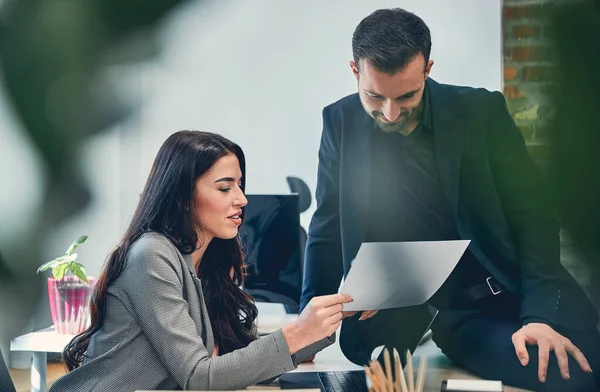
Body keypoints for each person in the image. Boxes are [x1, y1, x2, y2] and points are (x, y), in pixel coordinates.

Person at [300, 8, 600, 392]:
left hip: (531, 293)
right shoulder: (339, 123)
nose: (390, 113)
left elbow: (535, 219)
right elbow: (326, 227)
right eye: (375, 96)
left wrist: (538, 317)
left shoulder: (481, 112)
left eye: (406, 95)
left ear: (427, 69)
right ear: (355, 71)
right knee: (564, 377)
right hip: (463, 317)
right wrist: (309, 322)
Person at [50, 131, 352, 392]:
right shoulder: (151, 256)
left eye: (239, 184)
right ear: (182, 196)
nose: (242, 199)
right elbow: (199, 377)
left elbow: (241, 360)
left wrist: (324, 323)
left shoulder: (202, 262)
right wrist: (297, 333)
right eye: (225, 187)